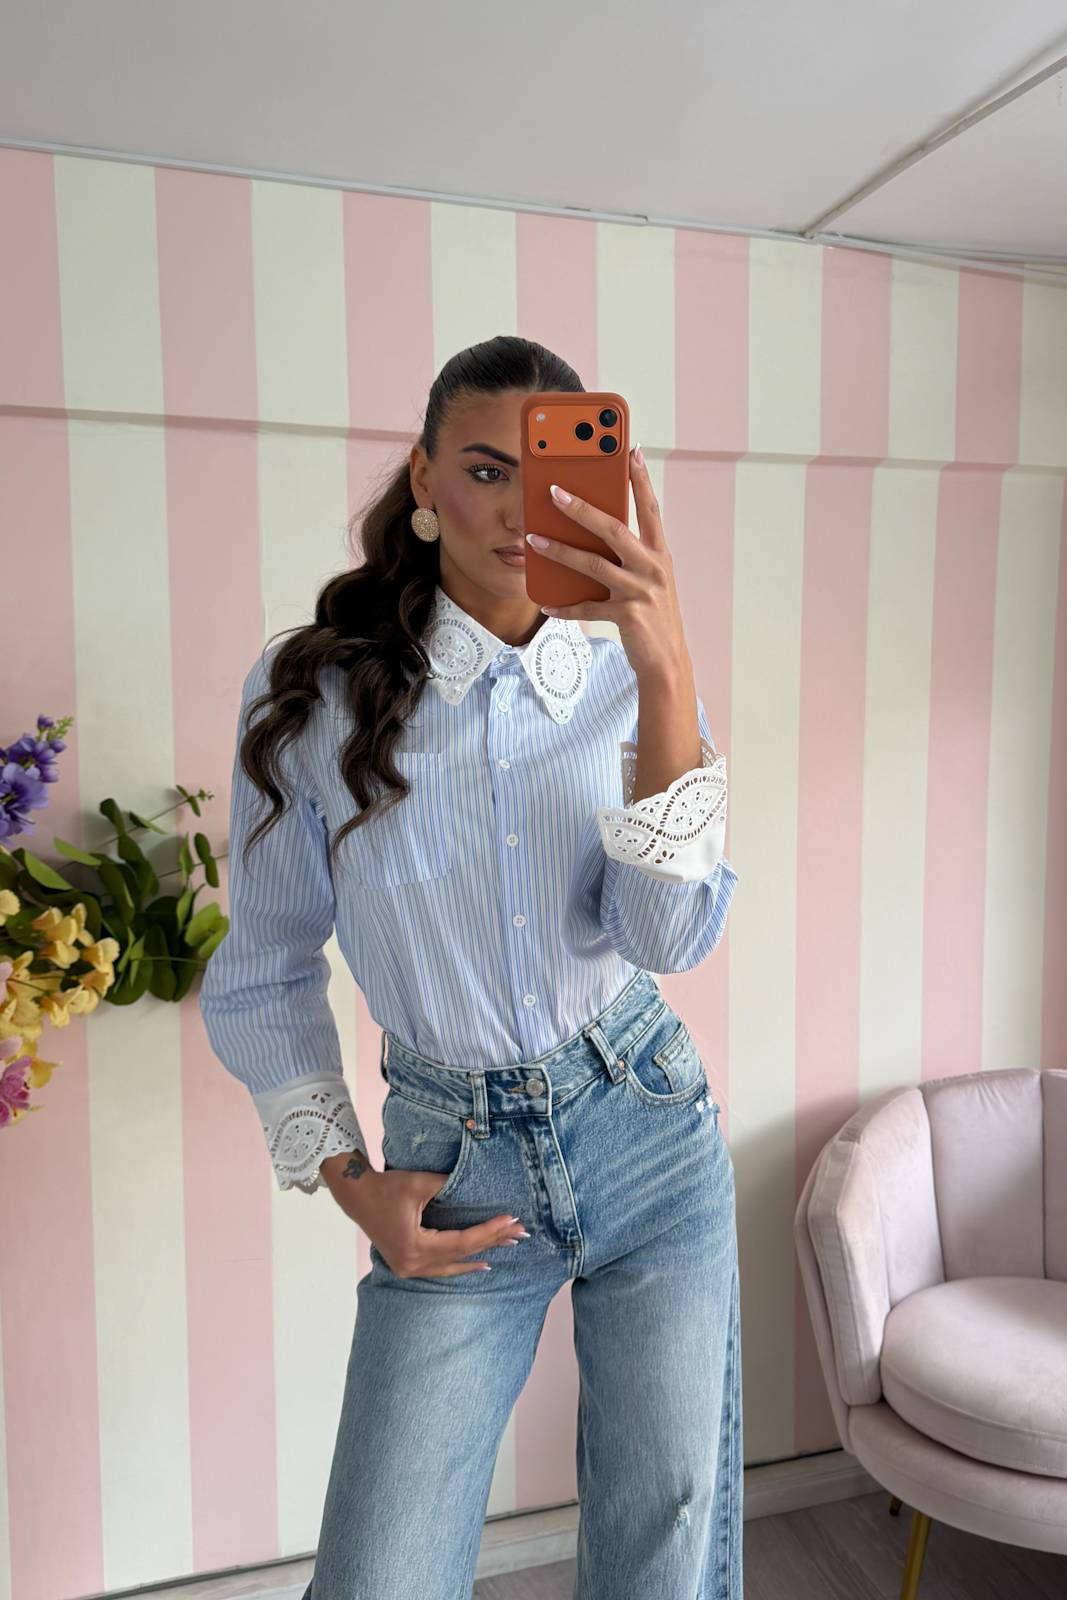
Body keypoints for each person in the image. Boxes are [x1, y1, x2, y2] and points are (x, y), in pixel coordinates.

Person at [198, 334, 742, 1599]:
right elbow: (265, 965)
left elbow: (666, 940)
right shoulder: (310, 693)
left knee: (661, 1550)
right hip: (451, 1160)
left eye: (555, 481)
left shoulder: (628, 674)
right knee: (379, 1572)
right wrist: (349, 1181)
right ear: (424, 479)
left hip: (647, 1127)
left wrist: (665, 664)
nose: (517, 511)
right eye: (487, 470)